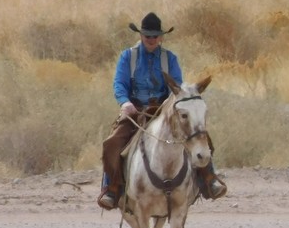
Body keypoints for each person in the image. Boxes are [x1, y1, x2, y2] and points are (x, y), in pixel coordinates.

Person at [97, 12, 228, 210]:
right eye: (148, 35)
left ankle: (209, 179)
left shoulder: (170, 59)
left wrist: (171, 106)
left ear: (161, 37)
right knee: (111, 144)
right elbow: (119, 84)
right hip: (135, 111)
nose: (151, 39)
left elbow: (176, 88)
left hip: (164, 110)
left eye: (155, 36)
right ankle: (112, 188)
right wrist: (124, 102)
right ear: (141, 36)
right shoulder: (128, 57)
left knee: (199, 135)